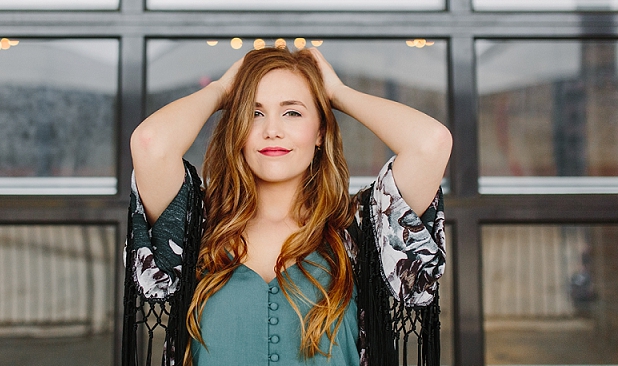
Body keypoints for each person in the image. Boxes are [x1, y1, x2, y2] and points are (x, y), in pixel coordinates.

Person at [124, 46, 451, 366]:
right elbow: (151, 144)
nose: (272, 131)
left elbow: (430, 143)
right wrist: (221, 90)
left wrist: (337, 93)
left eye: (292, 112)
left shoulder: (359, 228)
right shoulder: (197, 224)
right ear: (236, 127)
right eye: (254, 113)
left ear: (320, 130)